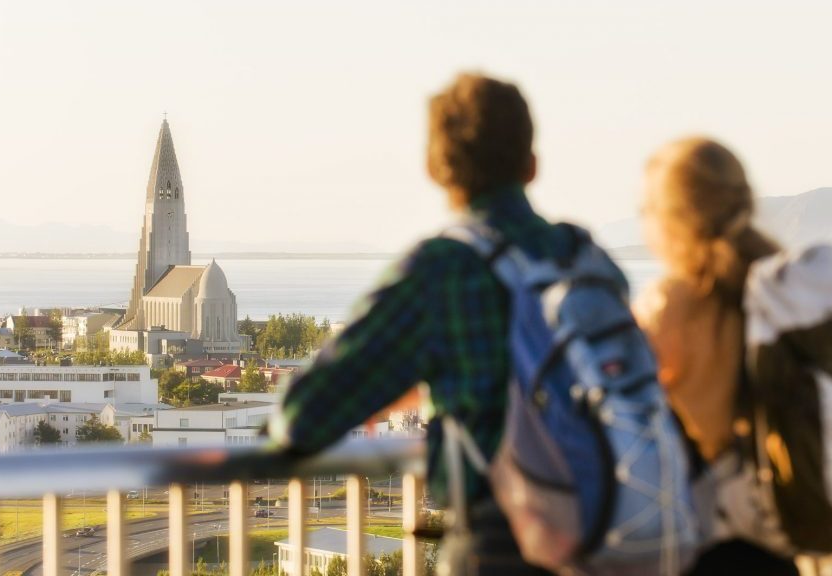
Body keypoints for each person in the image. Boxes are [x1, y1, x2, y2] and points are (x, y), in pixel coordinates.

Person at [267, 73, 595, 575]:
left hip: (501, 546)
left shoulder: (445, 269)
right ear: (532, 165)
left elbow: (303, 417)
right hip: (609, 536)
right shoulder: (584, 257)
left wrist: (424, 377)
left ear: (436, 168)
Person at [632, 137, 799, 576]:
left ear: (672, 219)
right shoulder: (786, 290)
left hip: (701, 538)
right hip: (779, 538)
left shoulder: (668, 306)